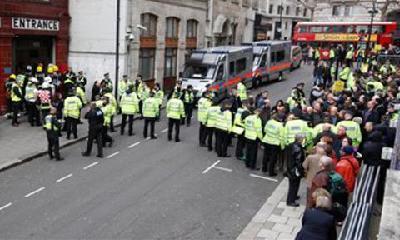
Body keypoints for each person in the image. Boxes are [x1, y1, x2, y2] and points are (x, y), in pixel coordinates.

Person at [303, 142, 327, 208]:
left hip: (311, 181)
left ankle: (308, 211)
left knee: (309, 200)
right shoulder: (327, 158)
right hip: (321, 182)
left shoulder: (310, 157)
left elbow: (304, 166)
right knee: (320, 198)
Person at [287, 134, 305, 207]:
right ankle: (291, 200)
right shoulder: (298, 148)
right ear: (300, 139)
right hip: (295, 169)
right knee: (294, 185)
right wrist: (301, 170)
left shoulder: (291, 145)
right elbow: (299, 161)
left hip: (290, 167)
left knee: (293, 184)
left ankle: (294, 196)